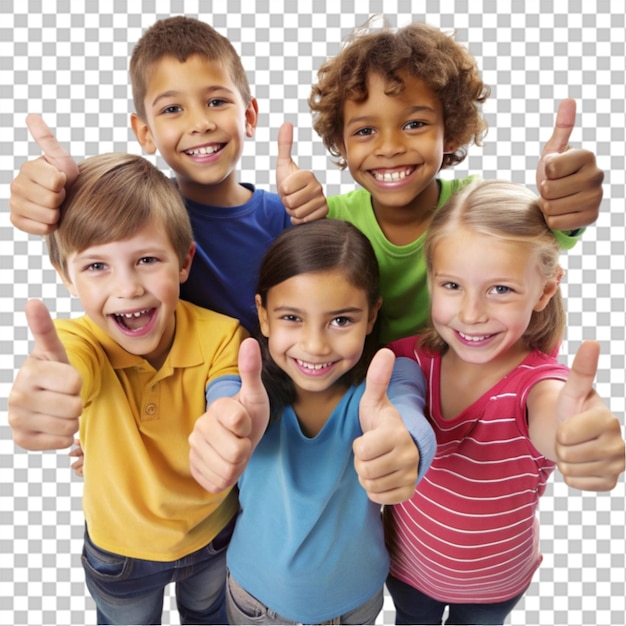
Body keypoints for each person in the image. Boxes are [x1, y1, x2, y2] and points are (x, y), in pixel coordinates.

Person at [7, 153, 249, 625]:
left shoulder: (222, 335)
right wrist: (48, 390)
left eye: (146, 259)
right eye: (97, 265)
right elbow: (68, 367)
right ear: (66, 277)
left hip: (213, 537)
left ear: (184, 262)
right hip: (121, 555)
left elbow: (229, 391)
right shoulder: (78, 343)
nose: (128, 287)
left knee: (208, 615)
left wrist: (229, 416)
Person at [383, 179, 625, 625]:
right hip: (407, 572)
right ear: (430, 280)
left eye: (501, 290)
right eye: (452, 285)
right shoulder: (407, 359)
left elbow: (554, 418)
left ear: (545, 290)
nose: (472, 313)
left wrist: (577, 437)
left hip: (494, 590)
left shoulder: (538, 386)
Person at [8, 15, 327, 333]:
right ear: (145, 132)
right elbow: (86, 228)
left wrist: (314, 223)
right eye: (172, 109)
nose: (201, 123)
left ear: (249, 116)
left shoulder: (286, 216)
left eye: (216, 101)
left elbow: (328, 299)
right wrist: (47, 193)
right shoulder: (140, 213)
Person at [188, 219, 437, 624]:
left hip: (354, 603)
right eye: (291, 318)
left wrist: (406, 445)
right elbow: (224, 403)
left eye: (341, 321)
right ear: (263, 316)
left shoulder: (389, 380)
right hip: (255, 600)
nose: (316, 345)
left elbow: (406, 417)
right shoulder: (245, 383)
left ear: (372, 316)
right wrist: (223, 424)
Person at [308, 20, 604, 343]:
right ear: (341, 143)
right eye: (365, 131)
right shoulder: (327, 220)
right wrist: (288, 213)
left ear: (449, 132)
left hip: (469, 377)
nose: (389, 148)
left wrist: (565, 203)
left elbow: (541, 239)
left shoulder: (473, 207)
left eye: (415, 124)